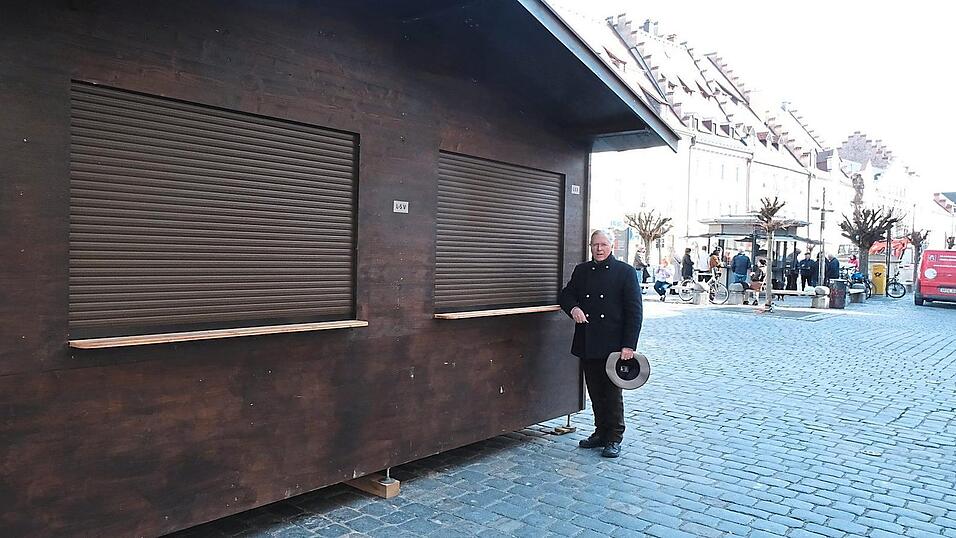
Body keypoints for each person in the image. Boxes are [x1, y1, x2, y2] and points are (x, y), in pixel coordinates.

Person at [558, 231, 642, 459]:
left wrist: (629, 345)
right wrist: (574, 308)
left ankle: (614, 437)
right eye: (595, 245)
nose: (599, 249)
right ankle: (600, 433)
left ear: (612, 246)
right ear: (590, 246)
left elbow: (634, 311)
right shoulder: (582, 271)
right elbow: (565, 295)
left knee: (612, 392)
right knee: (594, 390)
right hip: (588, 340)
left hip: (614, 345)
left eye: (603, 244)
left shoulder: (625, 272)